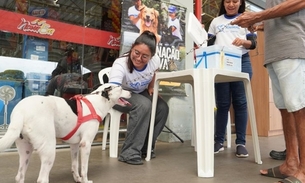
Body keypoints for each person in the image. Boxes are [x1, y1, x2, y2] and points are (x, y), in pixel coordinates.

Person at [232, 0, 305, 182]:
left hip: (293, 46)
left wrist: (257, 15)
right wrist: (261, 24)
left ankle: (303, 169)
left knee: (299, 107)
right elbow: (283, 12)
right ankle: (291, 163)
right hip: (276, 51)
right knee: (285, 108)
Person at [108, 30, 169, 165]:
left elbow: (155, 71)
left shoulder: (155, 61)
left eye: (145, 56)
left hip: (139, 92)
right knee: (144, 105)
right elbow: (113, 91)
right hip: (119, 94)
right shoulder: (120, 64)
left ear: (152, 56)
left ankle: (145, 148)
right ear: (132, 48)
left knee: (162, 108)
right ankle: (129, 152)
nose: (139, 58)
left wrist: (151, 87)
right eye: (136, 53)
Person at [207, 0, 257, 158]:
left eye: (235, 1)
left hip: (241, 61)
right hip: (221, 63)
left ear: (240, 2)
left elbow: (253, 43)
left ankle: (241, 143)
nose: (231, 4)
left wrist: (244, 42)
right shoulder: (216, 21)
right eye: (227, 1)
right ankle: (218, 141)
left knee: (240, 103)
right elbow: (208, 43)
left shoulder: (246, 18)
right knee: (222, 104)